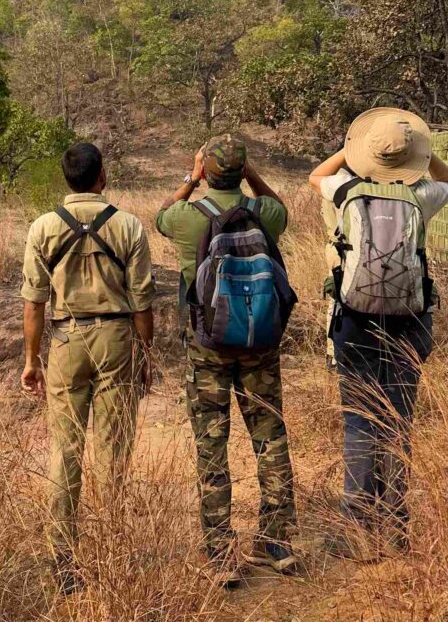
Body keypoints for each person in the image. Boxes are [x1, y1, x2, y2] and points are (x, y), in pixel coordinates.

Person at [156, 135, 298, 587]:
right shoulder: (265, 215)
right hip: (260, 344)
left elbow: (160, 214)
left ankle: (220, 555)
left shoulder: (185, 218)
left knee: (211, 448)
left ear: (206, 171)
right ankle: (277, 545)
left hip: (207, 348)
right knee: (270, 439)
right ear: (242, 171)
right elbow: (281, 207)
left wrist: (188, 177)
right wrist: (253, 175)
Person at [309, 108, 448, 556]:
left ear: (364, 153)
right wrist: (422, 156)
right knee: (398, 422)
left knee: (360, 421)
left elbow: (317, 175)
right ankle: (396, 527)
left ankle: (356, 528)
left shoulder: (346, 190)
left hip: (354, 321)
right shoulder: (421, 197)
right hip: (409, 322)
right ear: (412, 157)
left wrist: (353, 152)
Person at [20, 141, 155, 594]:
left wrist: (31, 360)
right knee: (114, 448)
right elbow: (142, 301)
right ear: (103, 176)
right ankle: (113, 548)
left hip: (64, 339)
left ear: (67, 178)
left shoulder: (42, 227)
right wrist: (146, 356)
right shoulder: (128, 225)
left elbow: (34, 302)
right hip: (117, 338)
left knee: (65, 451)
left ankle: (63, 560)